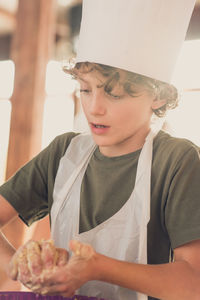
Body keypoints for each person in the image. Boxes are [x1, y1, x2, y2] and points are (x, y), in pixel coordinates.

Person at [0, 0, 199, 299]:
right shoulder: (62, 153)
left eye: (114, 94)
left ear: (158, 96)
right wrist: (16, 263)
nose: (94, 109)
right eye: (85, 89)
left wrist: (97, 267)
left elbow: (193, 282)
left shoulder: (177, 162)